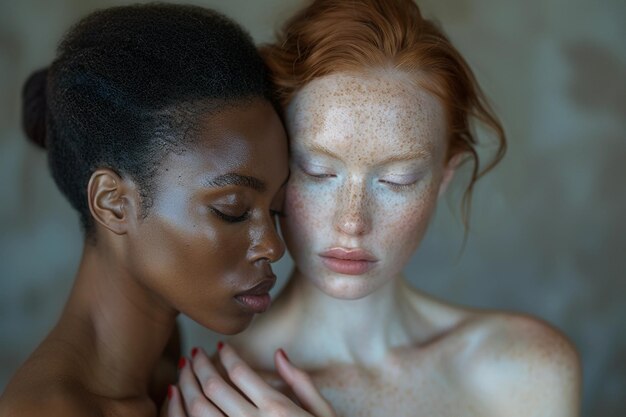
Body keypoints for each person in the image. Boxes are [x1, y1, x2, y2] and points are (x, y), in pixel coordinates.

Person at [177, 0, 582, 416]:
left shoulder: (526, 369)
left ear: (444, 177)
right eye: (316, 172)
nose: (352, 221)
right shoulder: (219, 401)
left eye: (397, 179)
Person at [0, 4, 335, 417]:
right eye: (232, 210)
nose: (272, 246)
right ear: (113, 204)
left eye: (278, 209)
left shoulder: (166, 367)